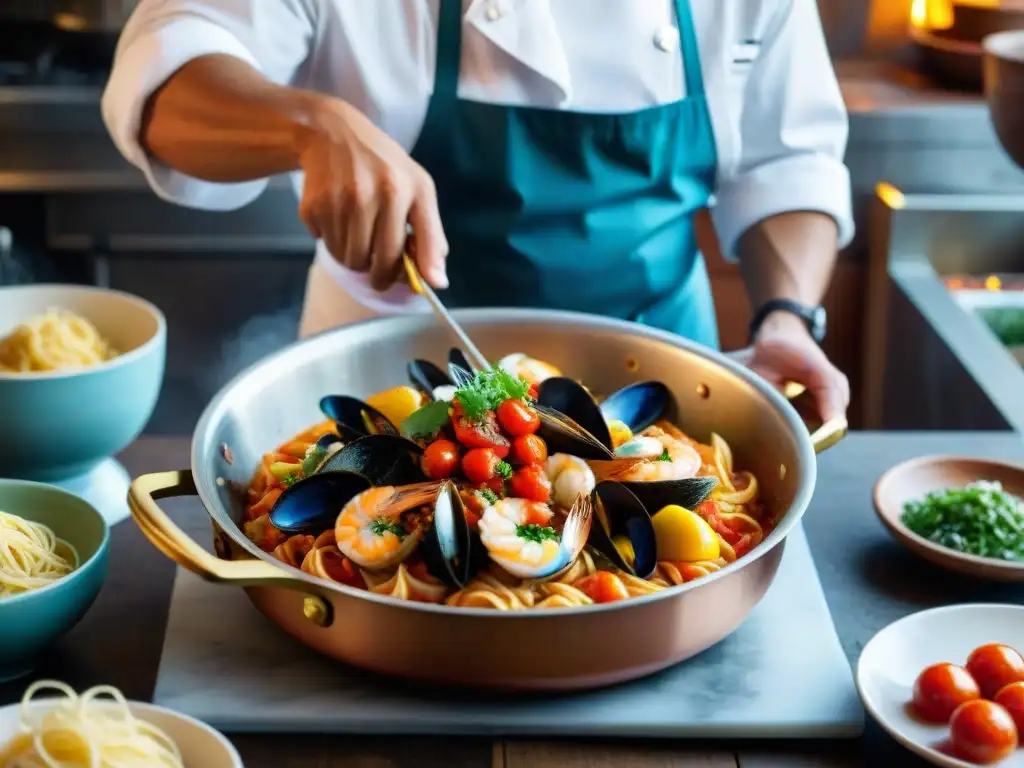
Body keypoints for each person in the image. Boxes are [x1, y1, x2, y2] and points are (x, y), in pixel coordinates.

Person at [102, 0, 853, 421]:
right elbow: (166, 78)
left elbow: (786, 160)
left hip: (661, 394)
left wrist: (785, 317)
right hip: (381, 393)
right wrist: (308, 125)